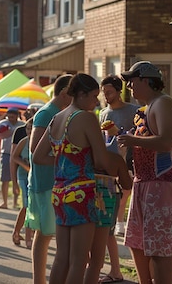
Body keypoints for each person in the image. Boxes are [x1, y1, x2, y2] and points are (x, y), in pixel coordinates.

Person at [32, 73, 116, 284]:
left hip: (60, 192)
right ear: (80, 94)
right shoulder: (85, 118)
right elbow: (100, 160)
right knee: (79, 261)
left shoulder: (56, 118)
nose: (96, 102)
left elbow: (37, 156)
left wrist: (65, 161)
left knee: (62, 258)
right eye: (94, 96)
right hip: (82, 192)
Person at [117, 61, 172, 284]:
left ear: (146, 80)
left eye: (132, 82)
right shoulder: (144, 109)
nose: (130, 87)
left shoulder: (164, 103)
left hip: (161, 182)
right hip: (142, 180)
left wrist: (132, 139)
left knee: (158, 247)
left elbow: (166, 141)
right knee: (137, 242)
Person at [26, 74, 72, 284]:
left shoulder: (59, 112)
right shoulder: (47, 113)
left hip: (55, 182)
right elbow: (35, 149)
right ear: (64, 94)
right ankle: (39, 280)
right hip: (46, 183)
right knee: (44, 235)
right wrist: (68, 158)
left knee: (48, 235)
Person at [98, 75, 139, 283]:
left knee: (111, 223)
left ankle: (118, 269)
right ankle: (113, 269)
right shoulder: (103, 112)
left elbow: (138, 139)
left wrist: (119, 132)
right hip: (107, 172)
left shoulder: (133, 111)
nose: (105, 95)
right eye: (103, 92)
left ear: (118, 90)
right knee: (105, 226)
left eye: (109, 92)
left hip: (128, 169)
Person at [0, 107, 24, 209]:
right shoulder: (3, 123)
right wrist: (2, 130)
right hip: (5, 153)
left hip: (18, 155)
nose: (10, 118)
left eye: (13, 116)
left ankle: (15, 202)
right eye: (9, 116)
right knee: (4, 178)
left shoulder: (21, 125)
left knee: (17, 178)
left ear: (17, 116)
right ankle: (4, 202)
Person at [11, 117, 33, 248]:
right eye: (28, 129)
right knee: (27, 205)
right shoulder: (24, 142)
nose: (30, 131)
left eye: (32, 128)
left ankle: (17, 232)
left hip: (35, 177)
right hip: (24, 177)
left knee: (31, 206)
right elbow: (14, 157)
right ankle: (26, 236)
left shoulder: (40, 142)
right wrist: (25, 166)